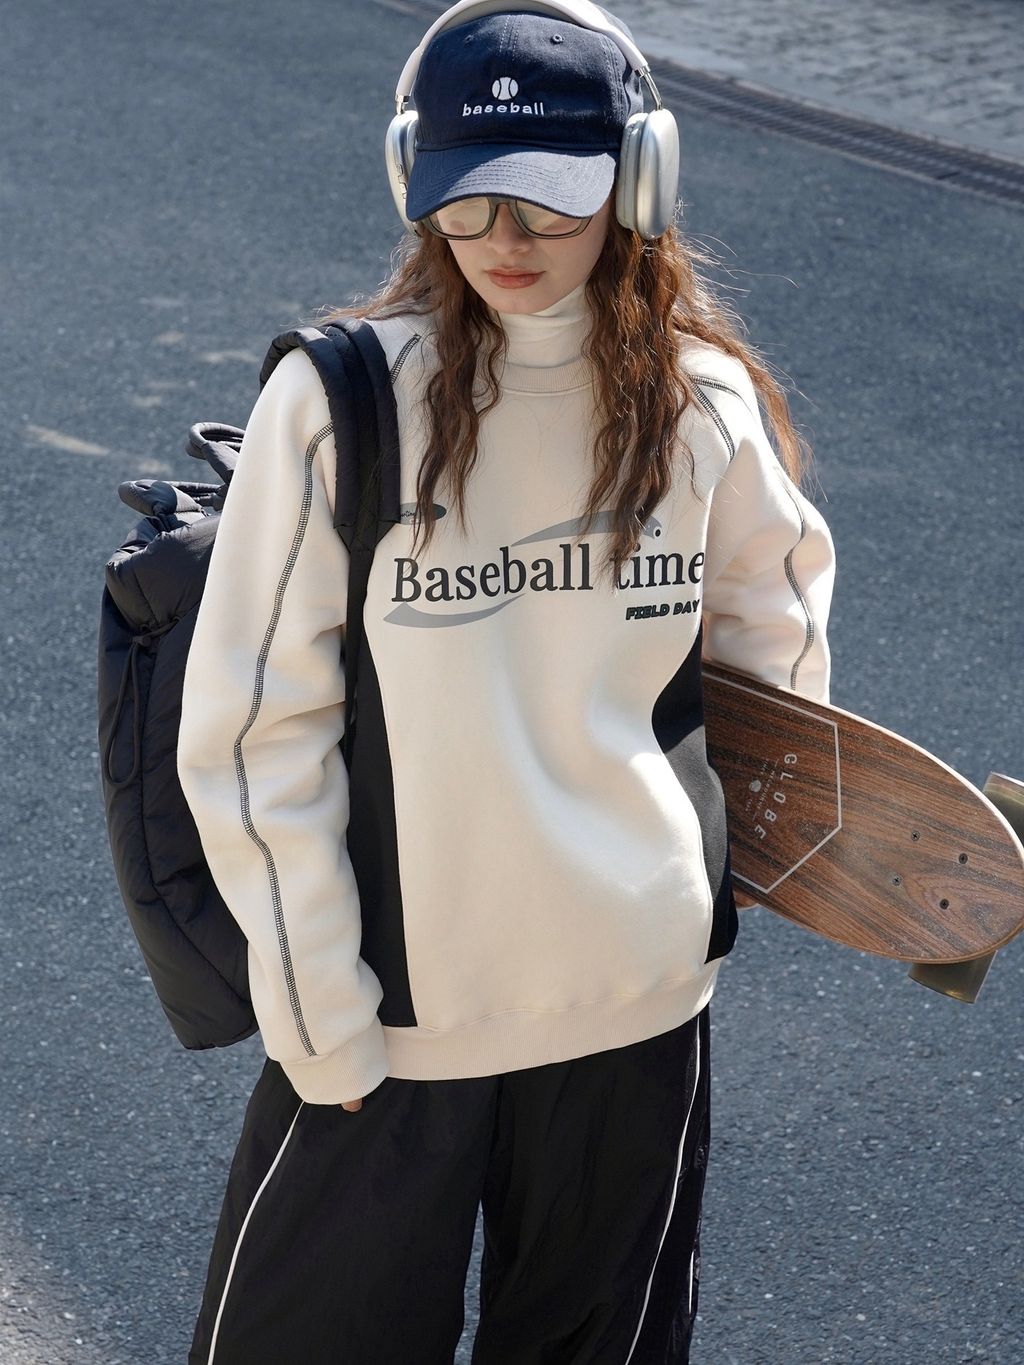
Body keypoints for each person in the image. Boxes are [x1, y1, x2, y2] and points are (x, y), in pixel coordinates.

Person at [176, 2, 835, 1361]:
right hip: (391, 1028)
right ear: (409, 183)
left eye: (546, 200)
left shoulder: (701, 402)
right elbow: (253, 732)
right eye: (463, 200)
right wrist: (318, 1015)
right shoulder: (347, 402)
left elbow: (774, 656)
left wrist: (733, 868)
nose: (502, 240)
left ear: (638, 182)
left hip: (637, 1008)